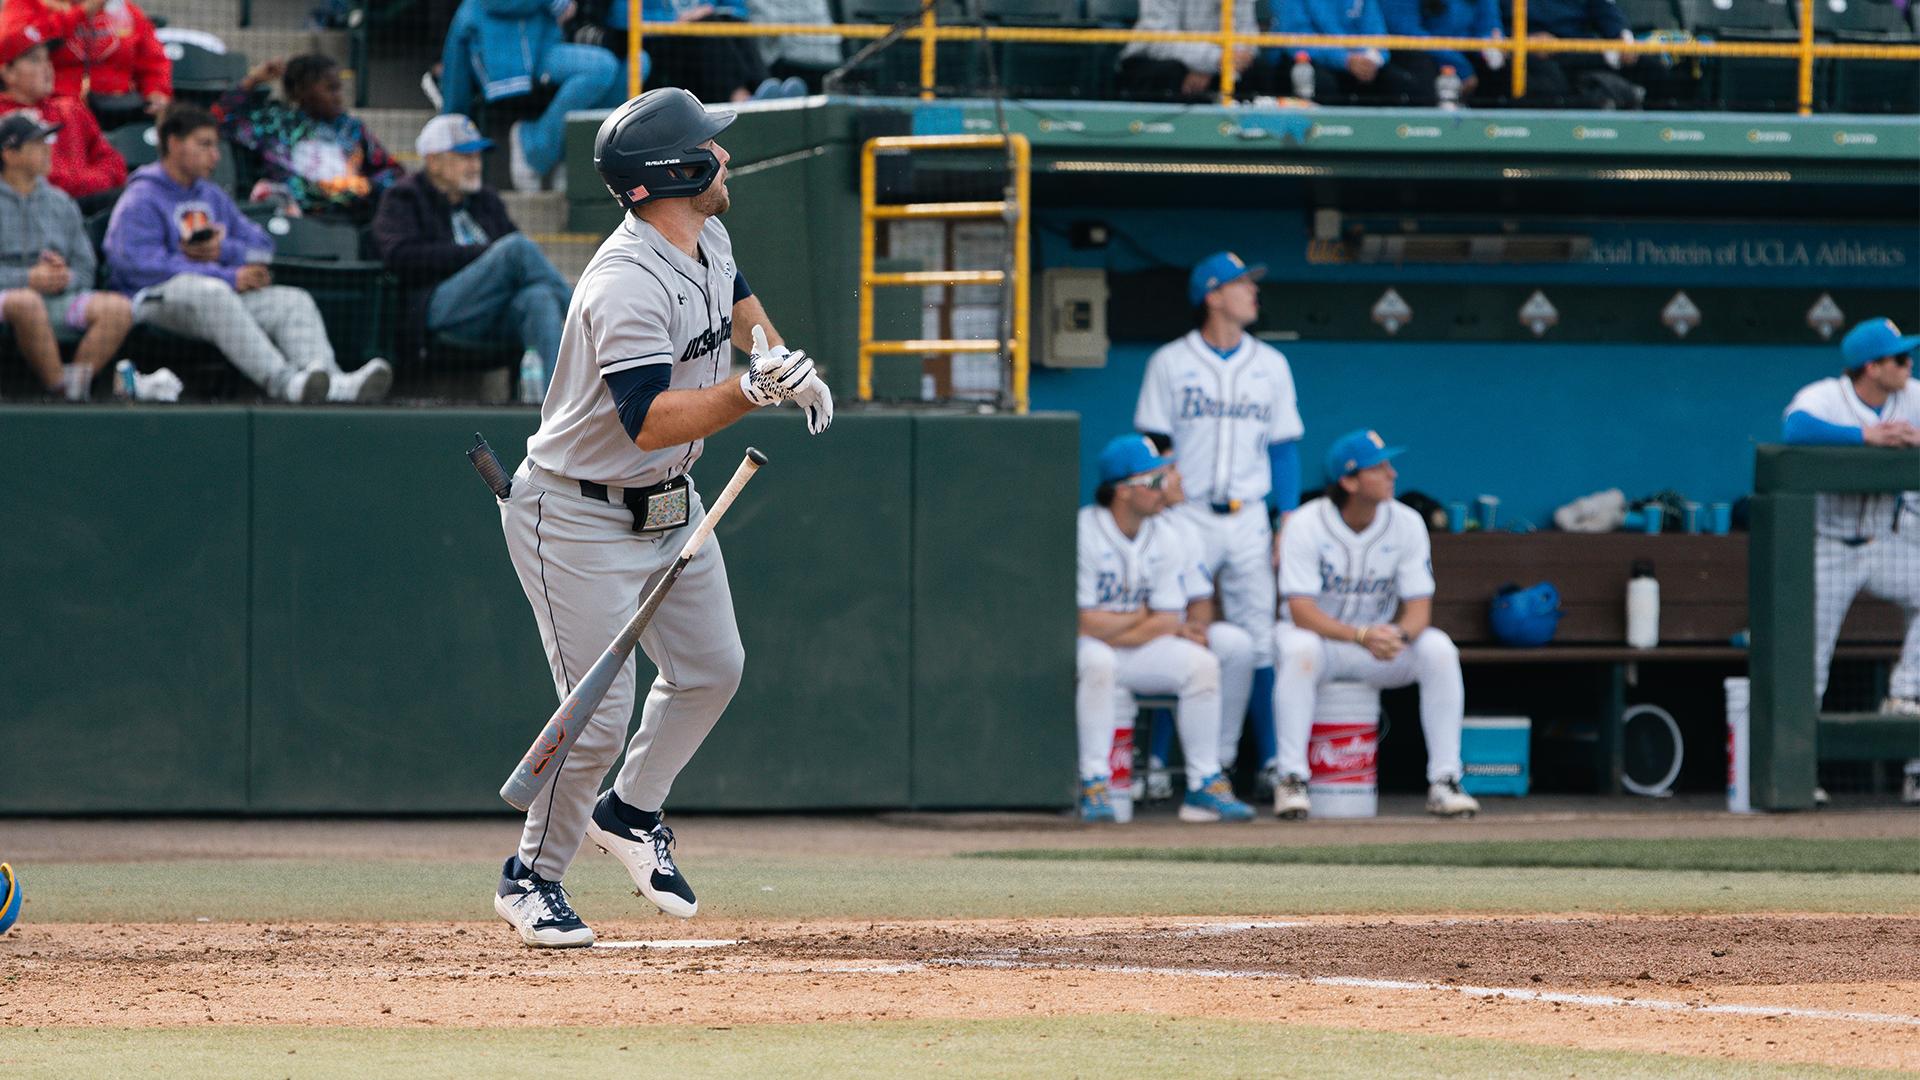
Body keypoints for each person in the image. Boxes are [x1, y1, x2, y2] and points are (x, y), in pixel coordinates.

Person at [490, 87, 831, 949]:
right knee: (598, 712)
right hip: (574, 512)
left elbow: (739, 300)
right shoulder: (625, 283)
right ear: (674, 172)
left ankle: (631, 811)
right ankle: (530, 878)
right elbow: (648, 419)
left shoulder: (705, 233)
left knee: (713, 668)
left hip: (667, 505)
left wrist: (778, 360)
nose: (724, 156)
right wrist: (752, 393)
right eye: (709, 148)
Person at [1134, 251, 1302, 801]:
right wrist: (1159, 506)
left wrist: (1288, 519)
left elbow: (1283, 449)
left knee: (1260, 642)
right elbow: (1155, 446)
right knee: (1183, 633)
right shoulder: (1169, 362)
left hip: (1250, 515)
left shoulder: (1271, 364)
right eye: (1241, 284)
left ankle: (1273, 761)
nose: (1253, 291)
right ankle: (1159, 763)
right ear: (1212, 294)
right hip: (1187, 515)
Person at [102, 104, 392, 403]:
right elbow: (136, 266)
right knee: (212, 291)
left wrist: (223, 250)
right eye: (204, 145)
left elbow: (264, 248)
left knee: (293, 302)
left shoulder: (211, 195)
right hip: (151, 300)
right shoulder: (141, 196)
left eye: (216, 145)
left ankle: (332, 384)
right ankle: (286, 382)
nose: (215, 156)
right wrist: (227, 275)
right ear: (174, 144)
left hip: (216, 298)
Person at [1271, 429, 1479, 820]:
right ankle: (1292, 778)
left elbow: (1419, 608)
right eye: (1379, 467)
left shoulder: (1407, 522)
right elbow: (1300, 611)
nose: (1392, 474)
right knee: (1298, 648)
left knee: (1438, 649)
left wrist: (1397, 636)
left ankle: (1445, 780)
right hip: (1325, 645)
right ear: (1349, 482)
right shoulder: (1304, 523)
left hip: (1379, 646)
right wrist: (1360, 636)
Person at [1076, 434, 1255, 824]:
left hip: (1137, 648)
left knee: (1200, 665)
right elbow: (1083, 622)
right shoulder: (1085, 531)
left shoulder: (1166, 535)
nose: (1165, 488)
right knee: (1099, 660)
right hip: (1083, 649)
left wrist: (1129, 624)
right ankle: (1093, 782)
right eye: (1154, 480)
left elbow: (1168, 619)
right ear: (1122, 491)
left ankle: (1203, 784)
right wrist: (1142, 617)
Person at [1781, 318, 1920, 805]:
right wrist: (1867, 437)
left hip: (1888, 544)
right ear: (1872, 367)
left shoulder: (1913, 395)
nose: (1909, 365)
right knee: (1810, 665)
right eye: (1900, 359)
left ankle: (1905, 697)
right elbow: (1794, 428)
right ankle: (1800, 771)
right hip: (1830, 545)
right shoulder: (1828, 395)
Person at [372, 114, 572, 369]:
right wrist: (481, 255)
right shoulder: (404, 197)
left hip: (491, 309)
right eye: (465, 157)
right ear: (434, 161)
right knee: (516, 248)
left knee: (539, 297)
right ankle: (589, 318)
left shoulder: (485, 198)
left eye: (478, 157)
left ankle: (554, 405)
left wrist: (490, 257)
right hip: (435, 306)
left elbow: (509, 259)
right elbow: (401, 257)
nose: (476, 165)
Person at [1139, 436, 1258, 805]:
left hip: (1169, 638)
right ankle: (1149, 765)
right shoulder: (1106, 529)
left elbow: (1200, 600)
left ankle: (1217, 763)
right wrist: (1175, 628)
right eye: (1170, 470)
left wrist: (1196, 631)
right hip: (1131, 642)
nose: (1179, 478)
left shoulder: (1183, 529)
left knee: (1236, 645)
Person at [0, 110, 145, 398]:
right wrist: (28, 278)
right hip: (9, 299)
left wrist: (65, 277)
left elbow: (86, 267)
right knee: (26, 302)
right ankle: (59, 388)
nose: (47, 150)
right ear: (9, 154)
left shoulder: (60, 202)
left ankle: (75, 392)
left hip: (56, 300)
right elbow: (25, 289)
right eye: (36, 144)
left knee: (118, 309)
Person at [439, 0, 626, 192]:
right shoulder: (470, 9)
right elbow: (455, 72)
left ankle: (564, 155)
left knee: (634, 65)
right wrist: (450, 122)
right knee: (602, 68)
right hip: (517, 66)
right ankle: (534, 146)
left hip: (545, 50)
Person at [211, 54, 404, 223]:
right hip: (298, 218)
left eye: (339, 88)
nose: (339, 97)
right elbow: (218, 119)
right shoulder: (274, 124)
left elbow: (392, 171)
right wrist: (253, 81)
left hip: (352, 216)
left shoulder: (351, 128)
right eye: (331, 89)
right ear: (301, 90)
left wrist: (367, 186)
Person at [568, 0, 799, 104]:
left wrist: (710, 11)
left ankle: (769, 93)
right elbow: (623, 21)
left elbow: (737, 6)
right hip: (659, 45)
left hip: (698, 38)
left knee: (733, 24)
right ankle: (743, 100)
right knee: (706, 26)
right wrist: (677, 21)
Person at [0, 30, 123, 214]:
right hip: (28, 210)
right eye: (35, 60)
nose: (47, 67)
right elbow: (29, 179)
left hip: (88, 203)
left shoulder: (71, 108)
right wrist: (85, 182)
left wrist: (81, 183)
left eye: (47, 59)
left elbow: (115, 165)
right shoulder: (4, 119)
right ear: (7, 72)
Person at [0, 0, 171, 130]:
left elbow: (154, 61)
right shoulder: (26, 5)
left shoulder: (121, 9)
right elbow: (20, 45)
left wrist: (156, 91)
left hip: (119, 112)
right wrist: (81, 13)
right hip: (55, 114)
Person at [1115, 0, 1274, 102]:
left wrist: (1214, 67)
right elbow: (1158, 39)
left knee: (1259, 71)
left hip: (1220, 66)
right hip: (1155, 60)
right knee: (1170, 72)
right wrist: (1214, 59)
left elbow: (1247, 39)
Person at [1277, 0, 1430, 105]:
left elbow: (1376, 31)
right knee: (1324, 84)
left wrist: (1372, 59)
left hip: (1361, 63)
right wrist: (1344, 59)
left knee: (1403, 84)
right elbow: (1297, 37)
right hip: (1315, 60)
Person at [1514, 0, 1647, 108]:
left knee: (1652, 67)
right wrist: (1525, 40)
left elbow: (1605, 9)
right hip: (1530, 55)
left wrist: (1623, 37)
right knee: (1551, 80)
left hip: (1579, 48)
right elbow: (1496, 26)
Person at [1378, 0, 1504, 104]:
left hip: (1466, 53)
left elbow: (1488, 23)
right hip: (1428, 54)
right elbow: (1405, 30)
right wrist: (1460, 65)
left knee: (1503, 71)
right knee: (1421, 69)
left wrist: (1490, 48)